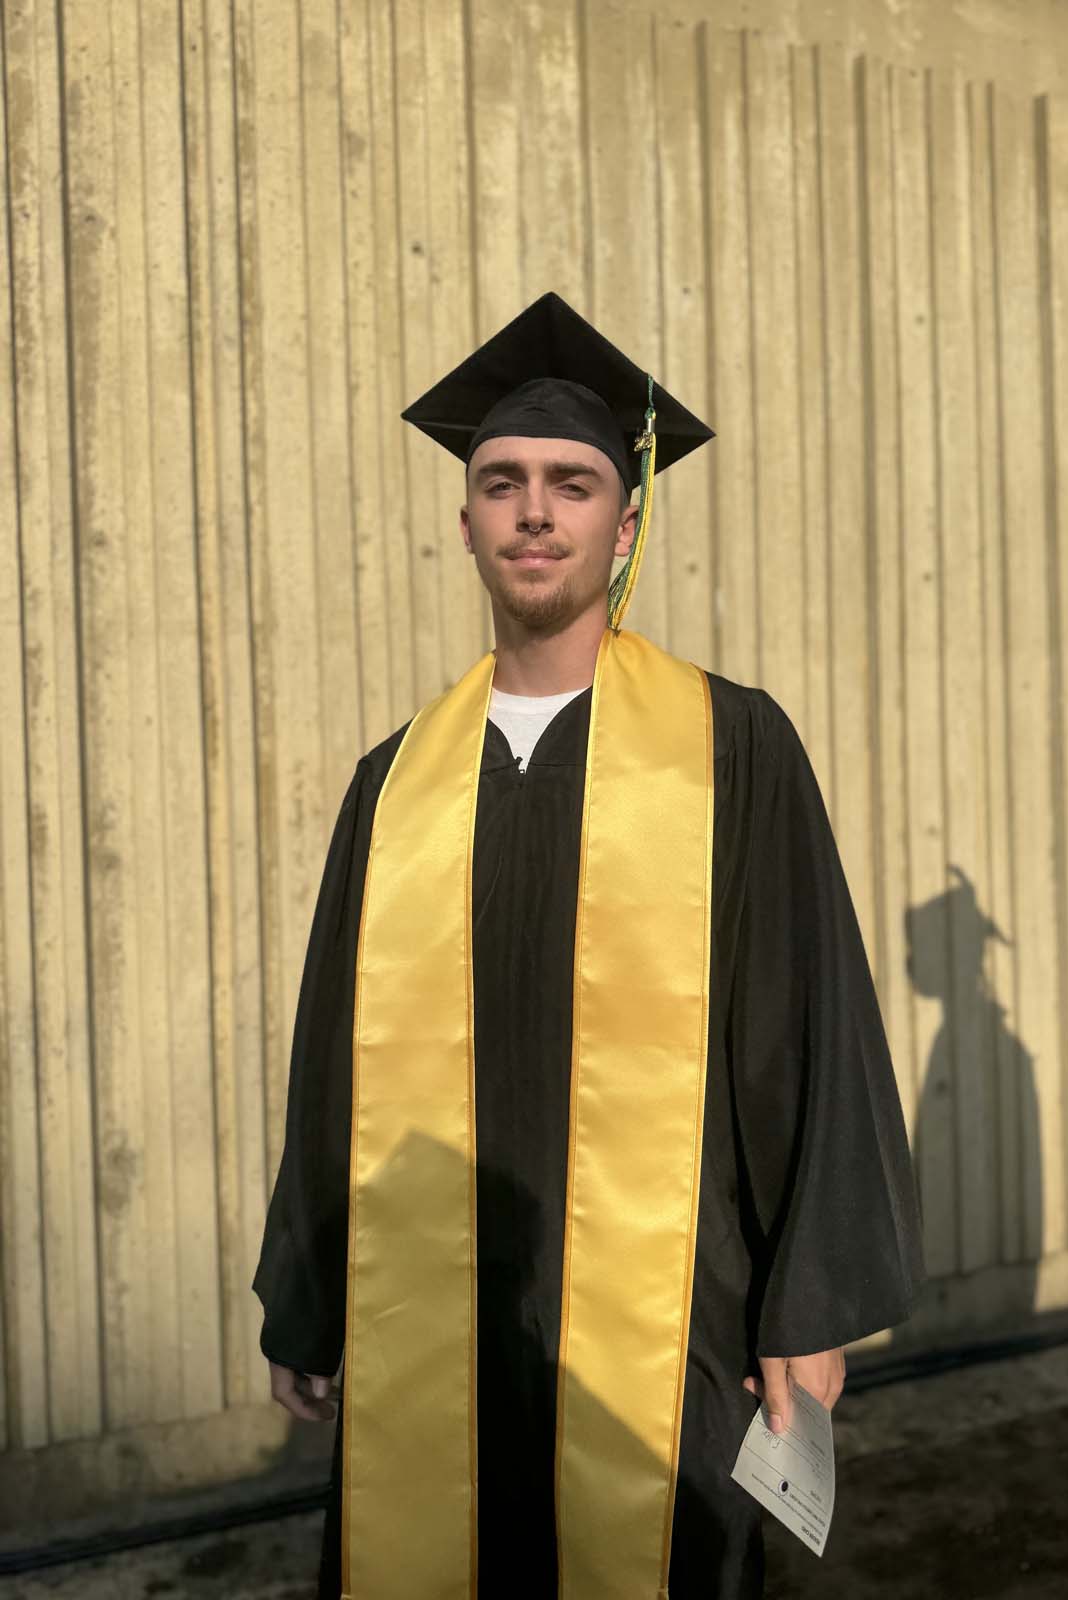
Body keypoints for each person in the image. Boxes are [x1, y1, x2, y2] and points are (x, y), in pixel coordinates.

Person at [253, 291, 925, 1600]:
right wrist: (309, 1288)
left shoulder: (731, 750)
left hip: (674, 1320)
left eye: (571, 483)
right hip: (428, 1327)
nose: (533, 510)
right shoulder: (393, 785)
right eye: (501, 484)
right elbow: (332, 1057)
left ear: (626, 526)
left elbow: (809, 1029)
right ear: (466, 526)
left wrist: (810, 1304)